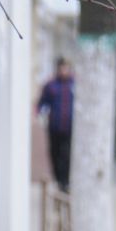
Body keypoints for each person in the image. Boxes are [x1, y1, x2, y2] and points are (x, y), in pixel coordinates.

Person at [37, 57, 75, 192]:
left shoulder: (74, 84)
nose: (63, 70)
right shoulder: (51, 85)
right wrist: (41, 113)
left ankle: (66, 181)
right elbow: (42, 103)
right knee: (55, 153)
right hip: (55, 126)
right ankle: (58, 180)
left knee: (67, 154)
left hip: (70, 127)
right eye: (61, 68)